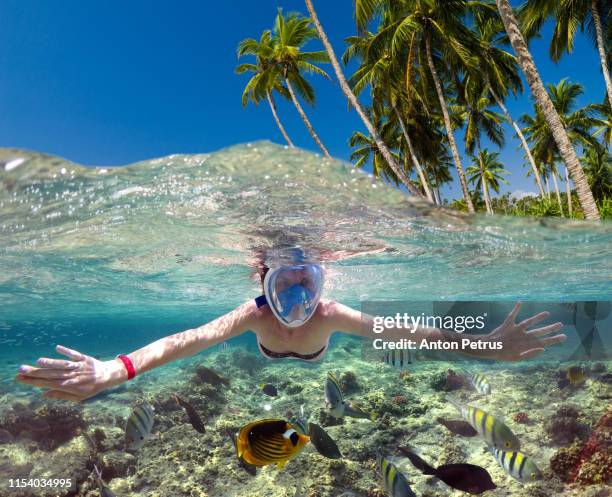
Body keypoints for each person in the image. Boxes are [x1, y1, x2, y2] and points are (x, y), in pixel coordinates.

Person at [15, 249, 565, 402]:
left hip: (314, 355)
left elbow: (407, 330)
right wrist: (117, 369)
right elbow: (185, 343)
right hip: (270, 352)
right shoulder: (252, 316)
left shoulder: (331, 316)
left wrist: (485, 345)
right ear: (263, 283)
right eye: (285, 286)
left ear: (322, 286)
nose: (299, 303)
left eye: (309, 286)